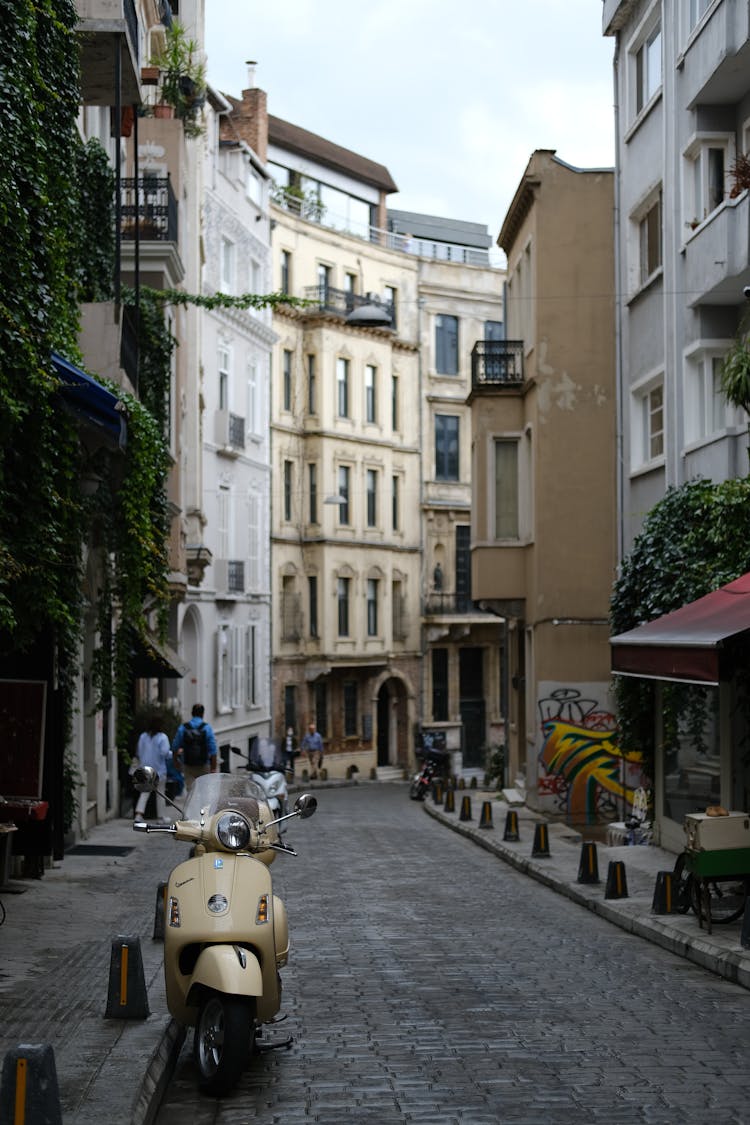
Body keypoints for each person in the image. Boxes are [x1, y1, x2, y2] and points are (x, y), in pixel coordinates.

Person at [133, 715, 172, 821]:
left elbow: (139, 752)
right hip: (159, 770)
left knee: (145, 792)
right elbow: (164, 752)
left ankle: (139, 815)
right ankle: (161, 817)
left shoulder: (143, 736)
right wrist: (172, 754)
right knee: (160, 794)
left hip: (145, 770)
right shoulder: (162, 737)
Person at [172, 703, 218, 790]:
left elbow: (175, 746)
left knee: (191, 791)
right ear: (202, 714)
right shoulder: (207, 728)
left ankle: (192, 803)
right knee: (205, 791)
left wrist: (175, 761)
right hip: (204, 765)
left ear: (192, 713)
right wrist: (213, 768)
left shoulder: (183, 728)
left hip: (188, 765)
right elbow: (213, 750)